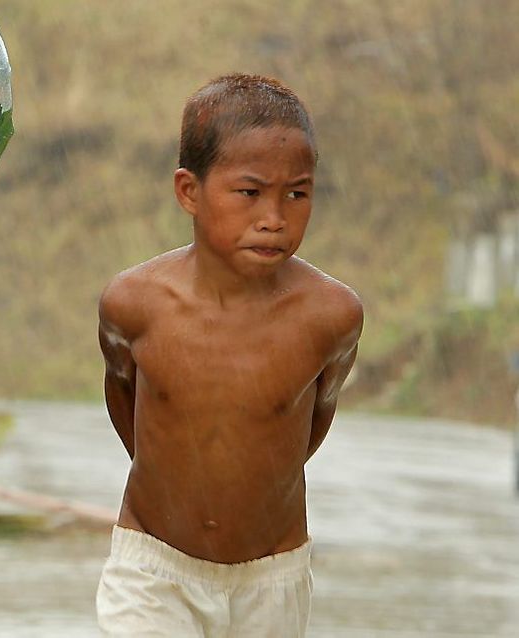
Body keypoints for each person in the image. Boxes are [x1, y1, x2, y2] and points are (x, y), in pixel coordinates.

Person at [95, 73, 363, 637]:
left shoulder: (331, 316)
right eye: (250, 192)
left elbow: (311, 421)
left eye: (298, 192)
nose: (275, 217)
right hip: (154, 566)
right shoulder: (135, 304)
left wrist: (246, 481)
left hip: (271, 578)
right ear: (189, 191)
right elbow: (126, 401)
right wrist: (178, 484)